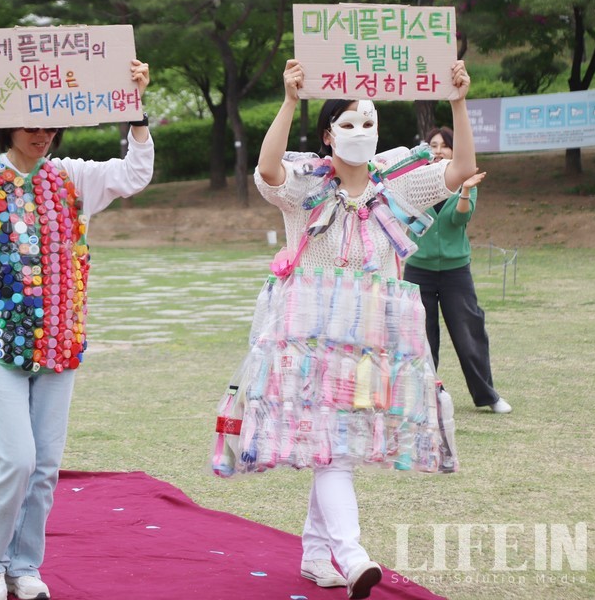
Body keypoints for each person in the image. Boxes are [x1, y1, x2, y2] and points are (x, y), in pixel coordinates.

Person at [213, 59, 479, 599]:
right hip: (307, 341)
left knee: (339, 445)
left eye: (368, 121)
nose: (360, 132)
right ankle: (352, 554)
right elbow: (267, 171)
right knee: (332, 444)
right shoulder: (305, 185)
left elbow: (458, 172)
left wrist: (456, 103)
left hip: (372, 345)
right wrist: (289, 101)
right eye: (348, 123)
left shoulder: (399, 187)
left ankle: (315, 552)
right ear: (328, 134)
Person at [0, 59, 153, 600]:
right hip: (0, 345)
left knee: (46, 466)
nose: (42, 134)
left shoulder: (72, 176)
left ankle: (24, 566)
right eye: (31, 123)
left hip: (58, 343)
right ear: (7, 124)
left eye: (50, 125)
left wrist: (136, 107)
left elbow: (135, 173)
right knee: (17, 458)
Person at [403, 127, 511, 414]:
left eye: (444, 146)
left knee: (468, 332)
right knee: (420, 336)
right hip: (418, 270)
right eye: (433, 145)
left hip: (455, 272)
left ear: (453, 151)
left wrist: (464, 189)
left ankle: (487, 395)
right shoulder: (415, 181)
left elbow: (458, 218)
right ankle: (425, 396)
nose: (438, 150)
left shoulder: (467, 181)